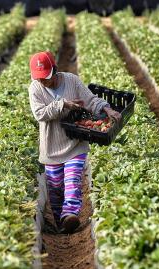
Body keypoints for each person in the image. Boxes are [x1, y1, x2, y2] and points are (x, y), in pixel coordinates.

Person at [28, 51, 121, 233]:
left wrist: (107, 109)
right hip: (51, 147)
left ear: (55, 70)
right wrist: (63, 104)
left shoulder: (72, 81)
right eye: (39, 78)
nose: (43, 81)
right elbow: (40, 114)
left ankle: (69, 214)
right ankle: (60, 222)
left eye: (46, 77)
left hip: (75, 144)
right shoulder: (35, 89)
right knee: (55, 188)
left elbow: (91, 100)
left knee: (72, 180)